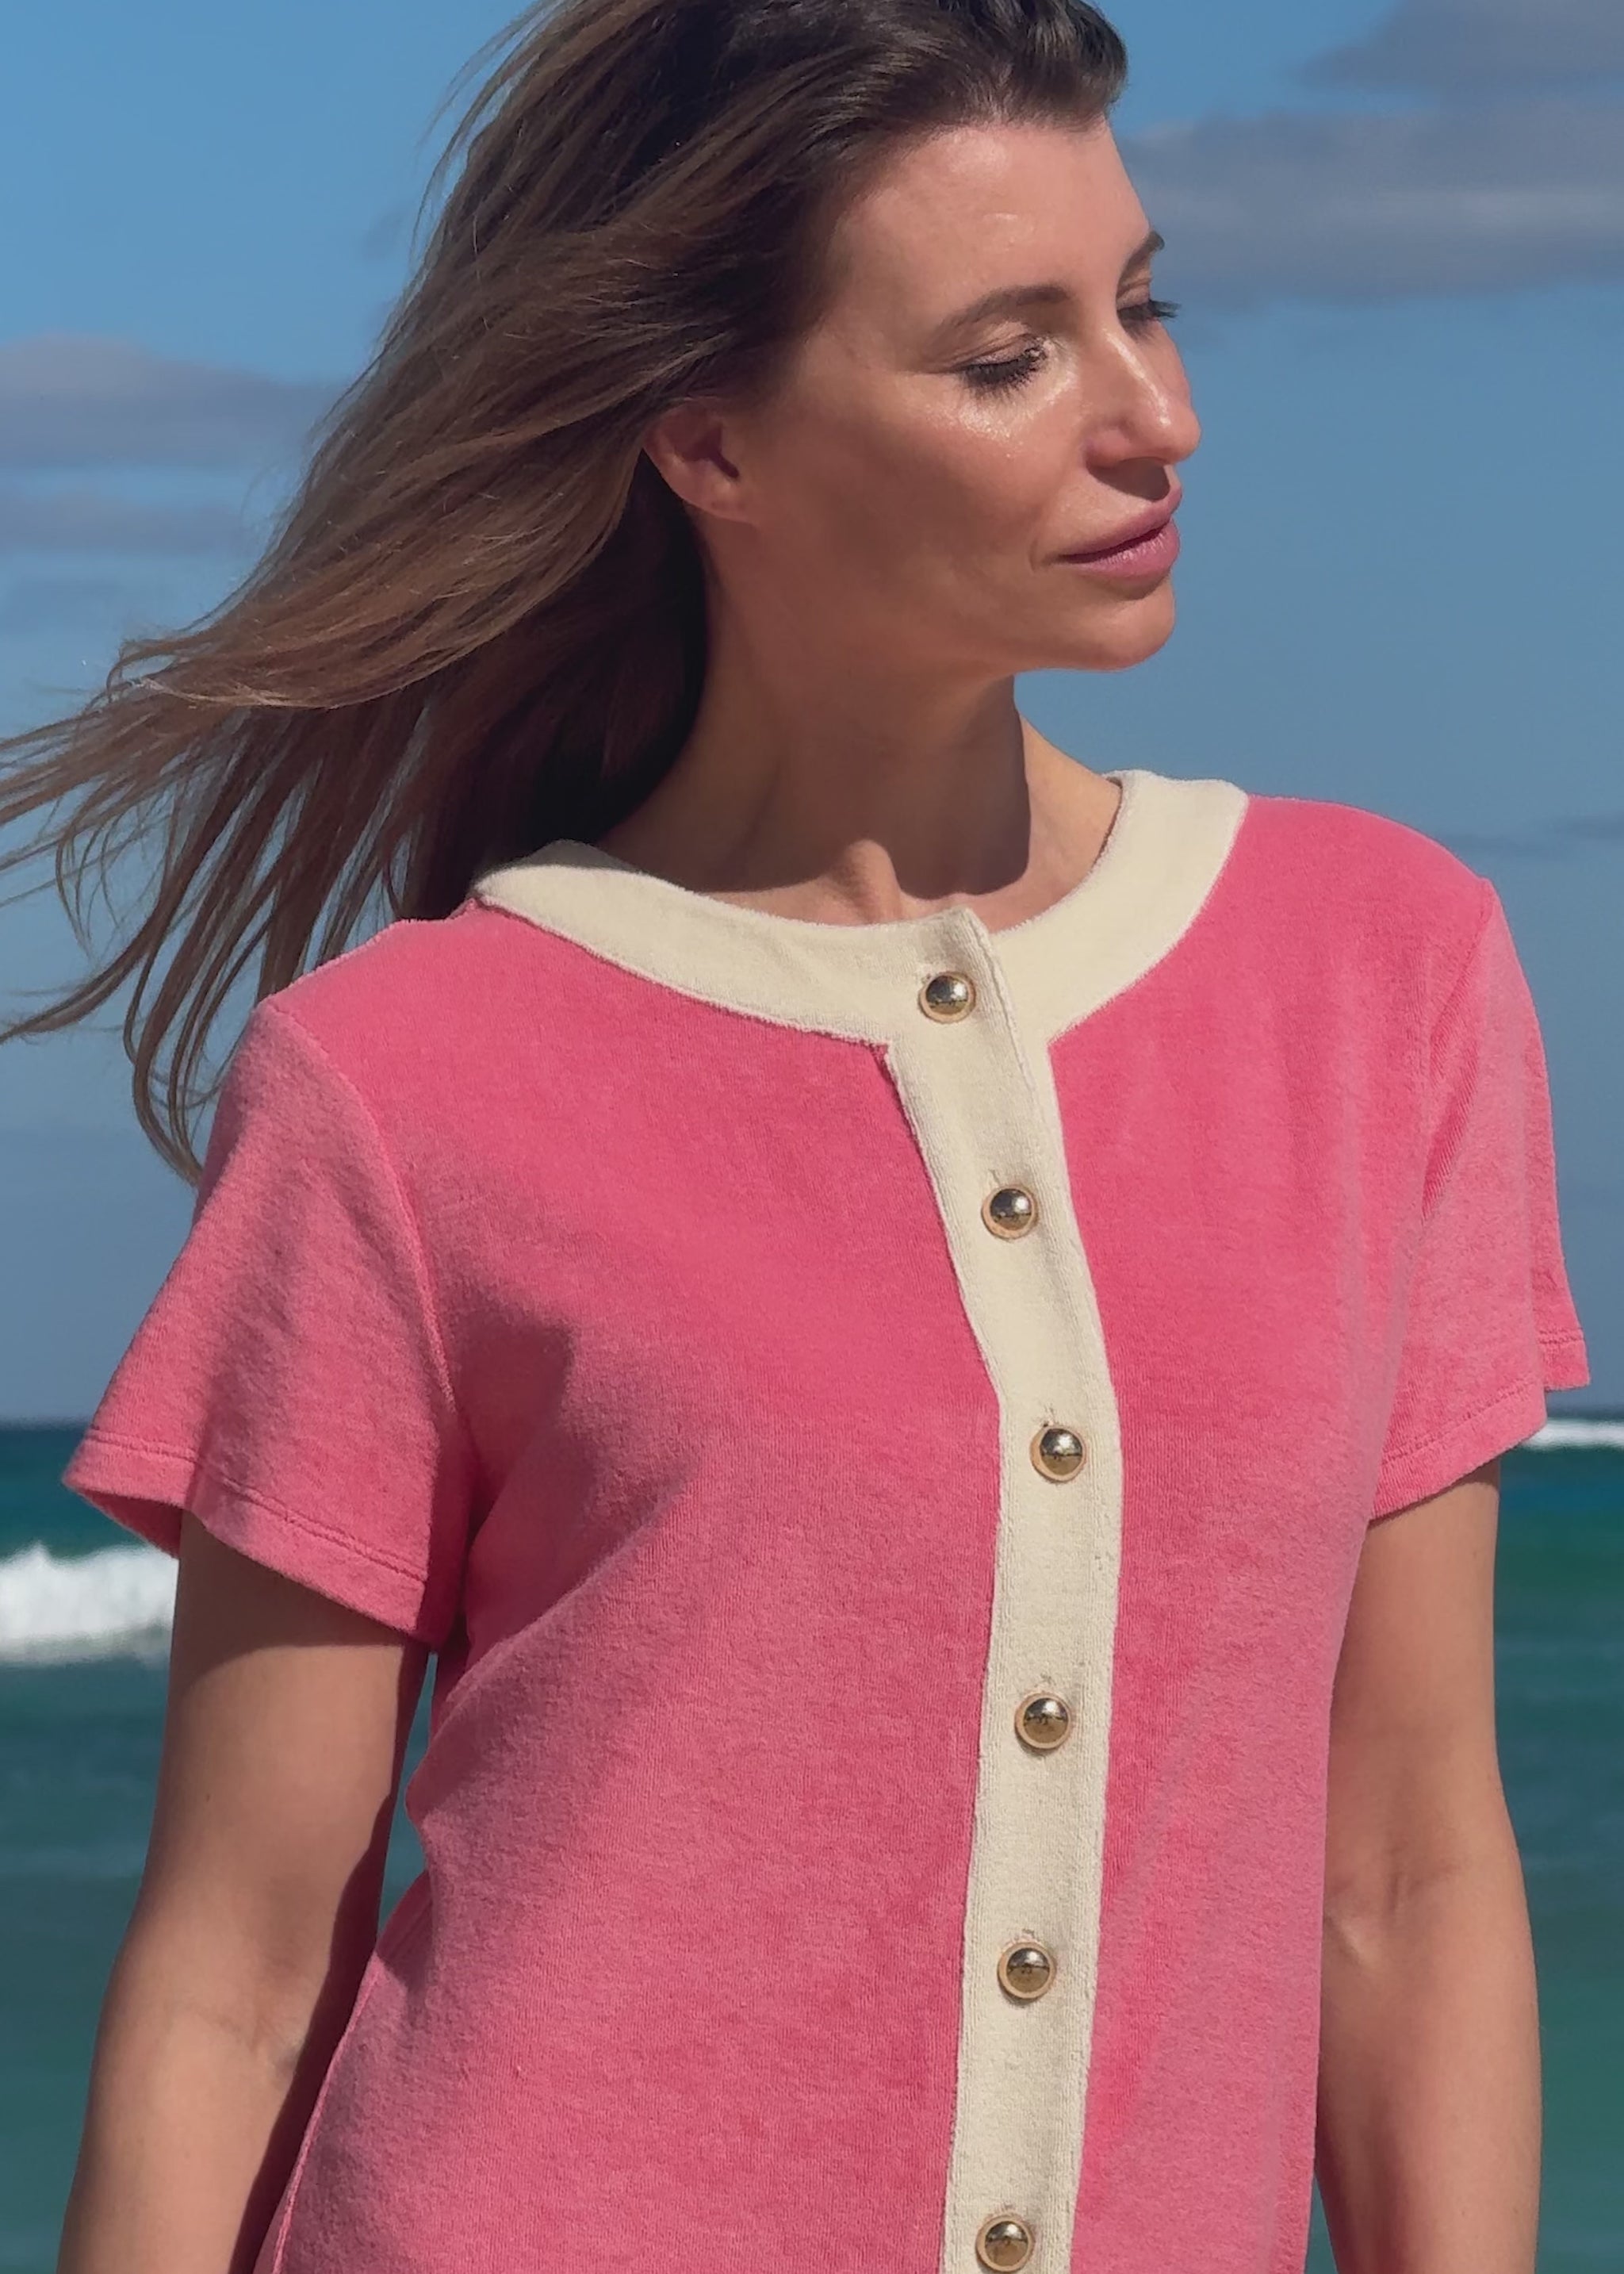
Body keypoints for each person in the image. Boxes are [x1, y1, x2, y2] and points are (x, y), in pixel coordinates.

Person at [0, 1, 1586, 2269]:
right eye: (1006, 355)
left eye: (1140, 303)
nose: (1160, 417)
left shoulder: (1382, 977)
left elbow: (1407, 1867)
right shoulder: (407, 1079)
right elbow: (238, 1983)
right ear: (712, 443)